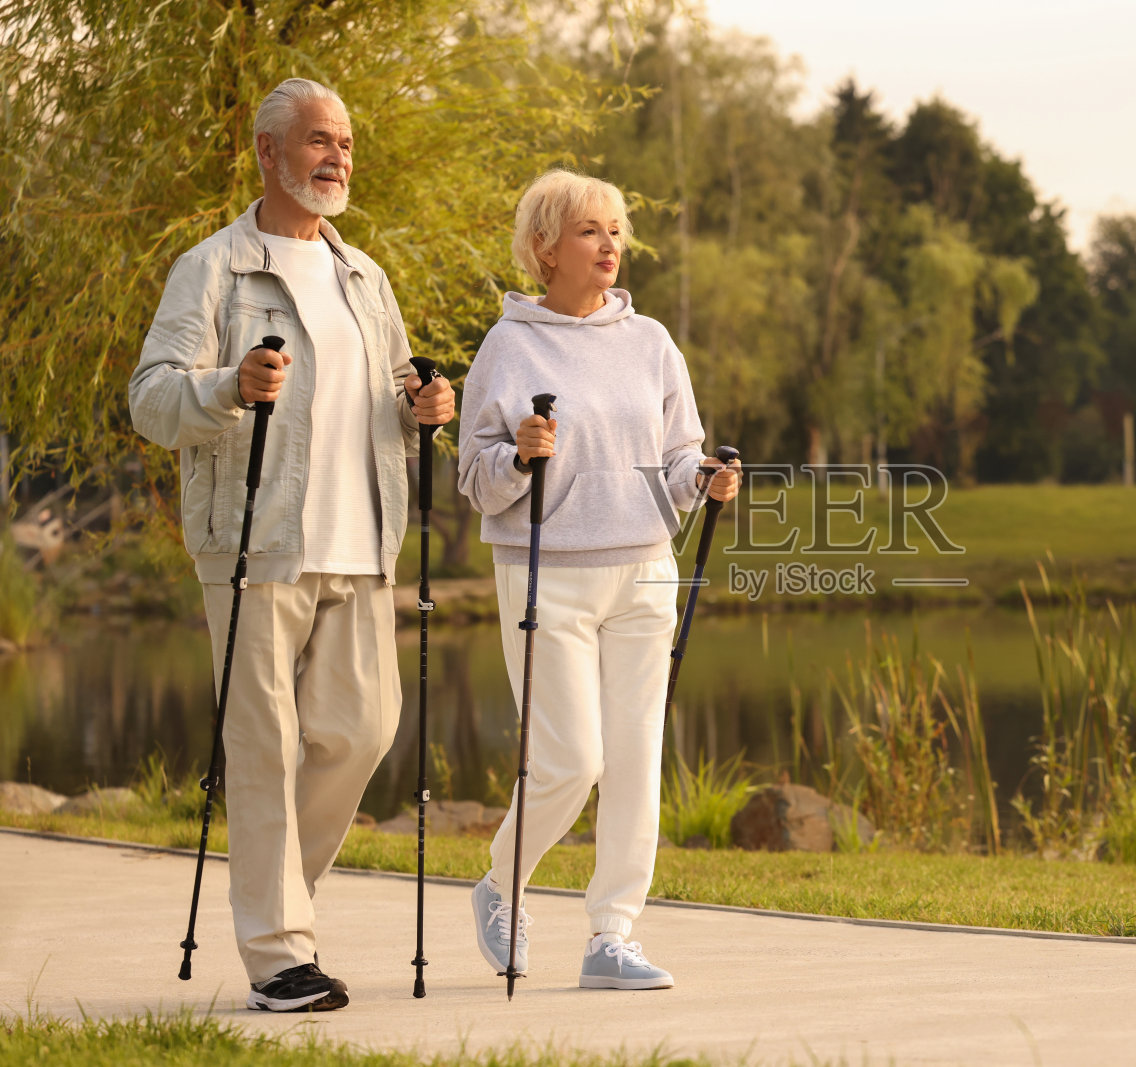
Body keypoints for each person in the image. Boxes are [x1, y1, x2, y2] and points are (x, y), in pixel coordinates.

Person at [128, 78, 455, 1012]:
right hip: (253, 543)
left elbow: (392, 396)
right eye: (319, 141)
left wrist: (424, 405)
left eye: (346, 143)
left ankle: (279, 906)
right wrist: (227, 385)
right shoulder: (213, 269)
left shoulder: (366, 277)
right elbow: (152, 397)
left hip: (362, 543)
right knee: (263, 746)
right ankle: (278, 956)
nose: (338, 158)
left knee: (362, 731)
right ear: (268, 153)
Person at [457, 169, 739, 990]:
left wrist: (705, 478)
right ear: (545, 248)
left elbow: (679, 452)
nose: (610, 244)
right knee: (569, 761)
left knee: (634, 758)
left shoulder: (650, 341)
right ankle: (502, 883)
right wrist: (519, 455)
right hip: (548, 576)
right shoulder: (509, 345)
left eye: (615, 230)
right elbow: (476, 472)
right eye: (590, 230)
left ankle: (612, 934)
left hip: (644, 570)